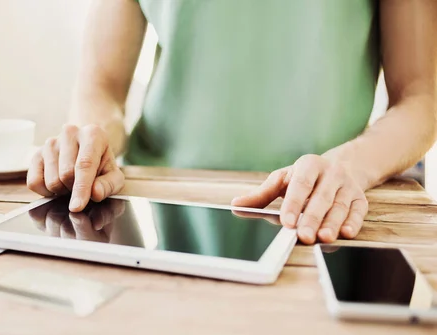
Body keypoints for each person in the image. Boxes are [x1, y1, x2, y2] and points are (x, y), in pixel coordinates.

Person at [27, 0, 437, 245]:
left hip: (318, 207)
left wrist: (352, 166)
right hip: (154, 207)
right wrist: (91, 140)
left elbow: (421, 96)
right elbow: (102, 86)